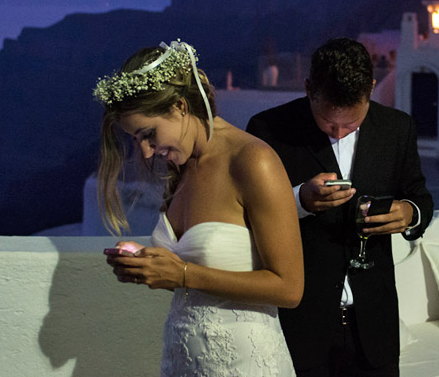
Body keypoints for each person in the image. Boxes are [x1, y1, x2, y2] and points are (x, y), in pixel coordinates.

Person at [94, 40, 303, 376]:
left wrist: (182, 275)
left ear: (179, 107)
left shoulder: (252, 161)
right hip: (182, 362)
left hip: (244, 365)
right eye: (135, 139)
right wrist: (147, 262)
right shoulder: (182, 167)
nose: (146, 152)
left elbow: (290, 289)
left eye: (149, 134)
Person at [247, 38, 434, 376]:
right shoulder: (267, 130)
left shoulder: (397, 128)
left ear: (372, 89)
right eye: (328, 122)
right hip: (301, 326)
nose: (339, 132)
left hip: (375, 328)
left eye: (352, 124)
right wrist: (299, 200)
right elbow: (249, 215)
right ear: (308, 89)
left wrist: (408, 213)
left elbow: (419, 197)